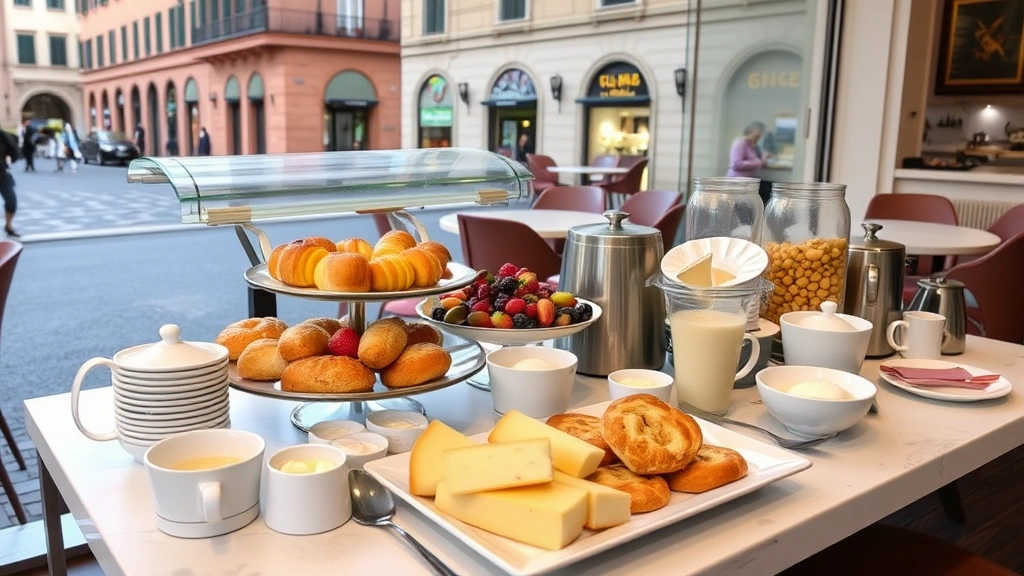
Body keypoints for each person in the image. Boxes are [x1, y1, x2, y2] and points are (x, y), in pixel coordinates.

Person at [0, 133, 20, 237]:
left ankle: (8, 226)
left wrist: (11, 158)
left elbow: (14, 150)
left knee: (12, 200)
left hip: (2, 172)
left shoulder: (3, 137)